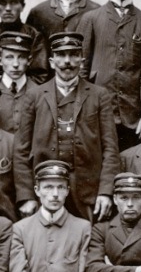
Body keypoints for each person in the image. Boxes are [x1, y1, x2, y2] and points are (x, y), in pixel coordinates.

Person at [19, 31, 120, 221]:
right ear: (51, 61)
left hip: (88, 194)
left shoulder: (99, 95)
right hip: (46, 193)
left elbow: (110, 149)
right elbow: (21, 150)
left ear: (82, 60)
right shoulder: (34, 96)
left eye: (74, 55)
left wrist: (106, 192)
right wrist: (26, 196)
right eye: (61, 55)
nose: (68, 61)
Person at [75, 0, 141, 144]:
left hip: (134, 117)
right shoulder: (91, 19)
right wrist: (82, 110)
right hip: (98, 113)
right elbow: (82, 69)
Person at [10, 160, 94, 272]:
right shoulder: (21, 229)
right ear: (37, 191)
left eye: (61, 187)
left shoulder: (83, 228)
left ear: (67, 191)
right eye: (48, 187)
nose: (55, 194)